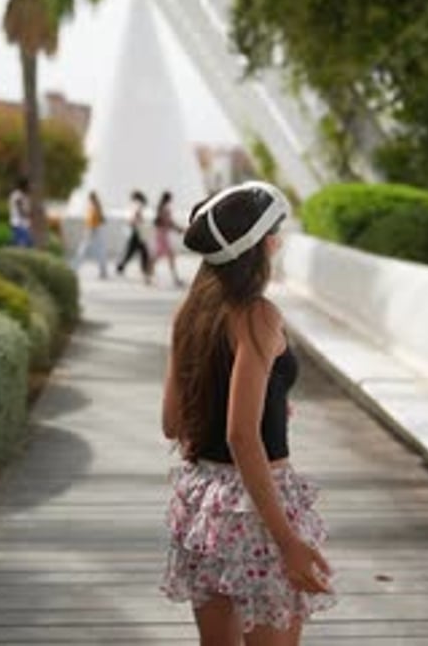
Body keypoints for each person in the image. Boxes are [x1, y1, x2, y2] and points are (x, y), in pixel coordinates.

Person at [161, 181, 335, 644]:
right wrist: (289, 544)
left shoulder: (192, 312)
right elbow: (242, 436)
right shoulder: (258, 315)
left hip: (204, 502)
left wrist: (273, 403)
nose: (279, 241)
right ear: (259, 246)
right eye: (275, 232)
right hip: (256, 506)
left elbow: (172, 424)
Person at [150, 190, 184, 287]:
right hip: (162, 235)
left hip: (161, 234)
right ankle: (175, 279)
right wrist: (179, 229)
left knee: (160, 256)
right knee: (163, 256)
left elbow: (166, 222)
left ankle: (150, 275)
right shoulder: (165, 209)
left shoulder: (161, 207)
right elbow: (168, 222)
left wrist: (177, 229)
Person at [116, 190, 151, 282]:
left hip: (135, 230)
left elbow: (132, 217)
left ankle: (121, 267)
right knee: (143, 253)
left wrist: (134, 221)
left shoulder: (133, 204)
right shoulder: (138, 204)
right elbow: (135, 215)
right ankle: (145, 273)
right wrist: (138, 221)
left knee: (131, 251)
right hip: (138, 231)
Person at [72, 191, 107, 279]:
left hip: (92, 231)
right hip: (95, 231)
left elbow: (92, 221)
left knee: (82, 251)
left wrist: (88, 231)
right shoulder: (96, 207)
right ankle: (103, 271)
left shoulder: (94, 207)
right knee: (98, 252)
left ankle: (74, 269)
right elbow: (102, 220)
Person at [8, 176, 33, 247]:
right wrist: (27, 214)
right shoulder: (17, 195)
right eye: (29, 185)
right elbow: (20, 208)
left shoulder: (24, 195)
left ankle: (11, 245)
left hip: (23, 224)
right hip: (18, 223)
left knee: (25, 242)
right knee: (23, 244)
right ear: (24, 185)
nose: (30, 186)